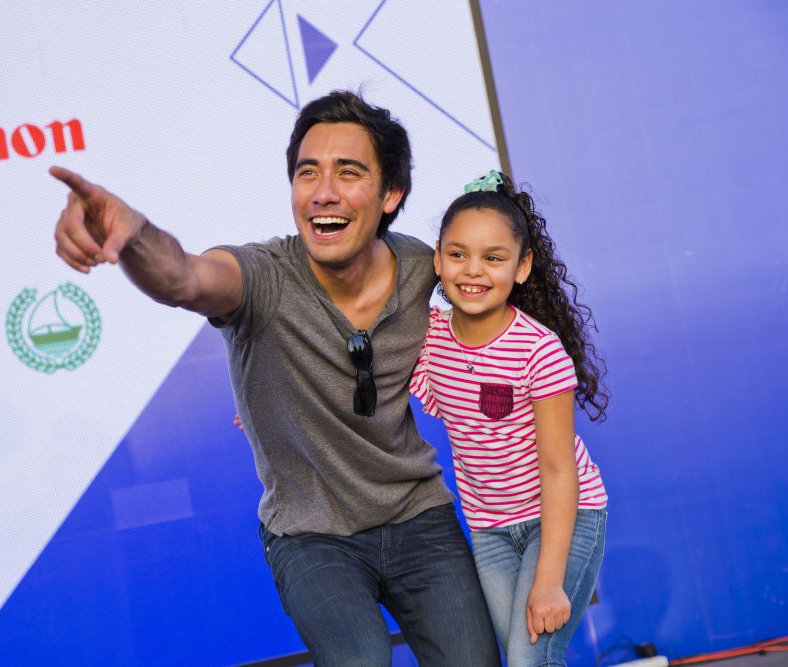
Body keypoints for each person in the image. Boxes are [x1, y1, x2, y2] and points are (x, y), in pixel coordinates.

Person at [51, 91, 501, 666]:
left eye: (349, 172)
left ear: (391, 194)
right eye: (307, 172)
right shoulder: (264, 276)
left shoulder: (425, 269)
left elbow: (506, 306)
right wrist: (135, 233)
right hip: (311, 534)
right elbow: (185, 277)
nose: (323, 192)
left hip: (418, 516)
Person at [409, 170, 609, 665]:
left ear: (521, 268)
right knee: (530, 659)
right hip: (489, 529)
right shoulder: (428, 337)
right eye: (457, 254)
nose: (473, 270)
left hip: (562, 516)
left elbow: (560, 471)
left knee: (528, 660)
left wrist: (548, 579)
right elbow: (354, 353)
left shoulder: (539, 352)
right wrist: (281, 399)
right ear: (437, 260)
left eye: (493, 258)